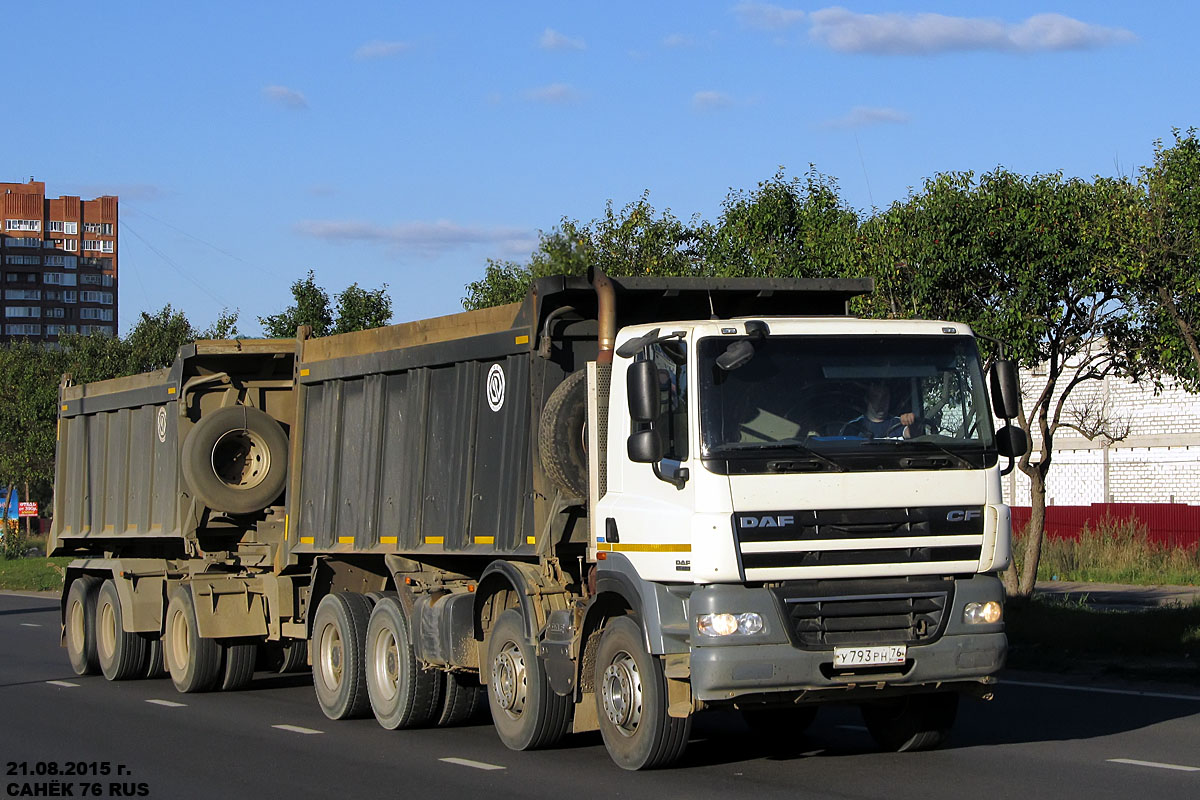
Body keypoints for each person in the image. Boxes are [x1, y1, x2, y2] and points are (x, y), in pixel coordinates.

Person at [843, 382, 914, 438]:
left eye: (885, 396)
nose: (881, 402)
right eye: (875, 397)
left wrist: (911, 422)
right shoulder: (853, 427)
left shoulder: (900, 423)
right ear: (867, 399)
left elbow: (912, 433)